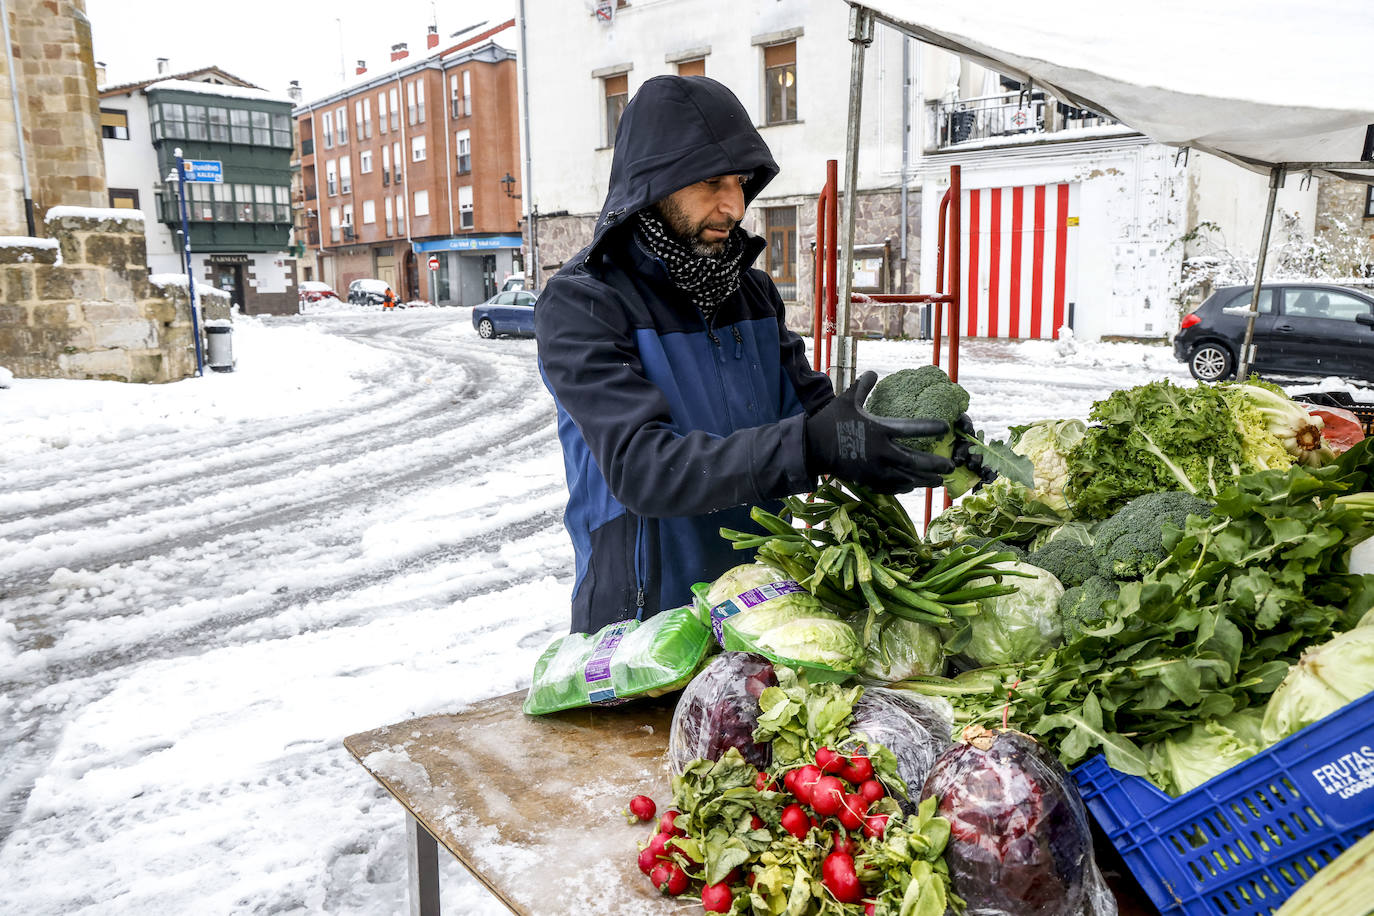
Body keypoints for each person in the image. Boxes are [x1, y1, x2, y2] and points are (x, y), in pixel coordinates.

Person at [536, 76, 959, 635]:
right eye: (711, 182)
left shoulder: (751, 293)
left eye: (738, 182)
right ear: (651, 187)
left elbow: (817, 415)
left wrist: (895, 435)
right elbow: (642, 469)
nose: (734, 204)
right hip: (641, 626)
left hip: (762, 609)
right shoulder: (585, 304)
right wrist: (810, 447)